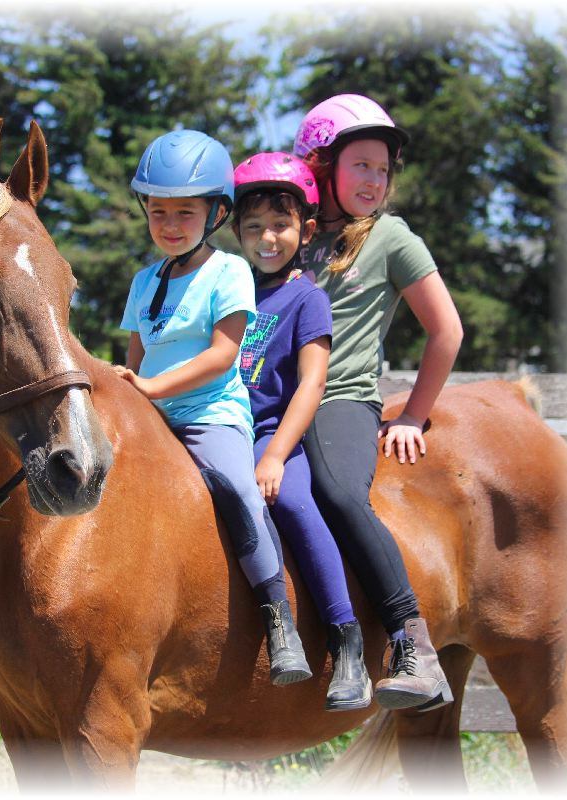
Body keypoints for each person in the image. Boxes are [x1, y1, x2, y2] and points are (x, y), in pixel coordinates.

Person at [115, 130, 310, 685]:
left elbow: (225, 356)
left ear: (217, 212)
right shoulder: (142, 280)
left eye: (184, 212)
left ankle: (279, 620)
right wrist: (133, 390)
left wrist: (152, 390)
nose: (170, 224)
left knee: (241, 489)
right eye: (158, 212)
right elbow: (138, 353)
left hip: (208, 414)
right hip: (151, 414)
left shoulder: (229, 272)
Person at [292, 93, 464, 711]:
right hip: (274, 399)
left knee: (338, 493)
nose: (374, 179)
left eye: (382, 169)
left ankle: (411, 641)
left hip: (341, 397)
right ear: (321, 165)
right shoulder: (290, 234)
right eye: (361, 164)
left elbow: (447, 331)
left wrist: (414, 413)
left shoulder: (391, 237)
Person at [231, 152, 370, 711]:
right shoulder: (232, 288)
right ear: (236, 232)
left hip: (270, 429)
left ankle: (345, 637)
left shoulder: (306, 297)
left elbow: (311, 384)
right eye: (254, 227)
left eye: (281, 225)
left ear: (306, 229)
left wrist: (276, 456)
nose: (268, 238)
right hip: (223, 425)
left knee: (290, 500)